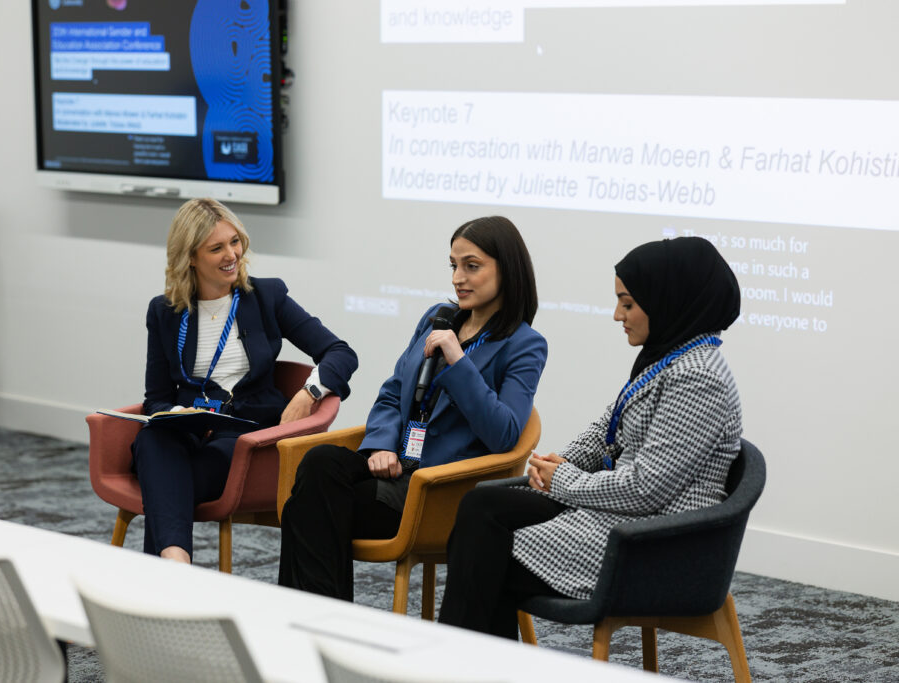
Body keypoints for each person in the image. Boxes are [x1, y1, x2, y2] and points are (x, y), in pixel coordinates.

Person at [438, 235, 742, 638]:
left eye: (628, 304)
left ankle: (455, 662)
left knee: (483, 554)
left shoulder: (698, 378)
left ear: (668, 302)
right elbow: (607, 430)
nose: (617, 315)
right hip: (624, 519)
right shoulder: (669, 358)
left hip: (655, 542)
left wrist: (563, 479)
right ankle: (473, 663)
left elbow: (645, 489)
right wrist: (561, 462)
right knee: (482, 507)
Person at [278, 215, 547, 601]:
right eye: (453, 266)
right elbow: (392, 393)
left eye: (472, 266)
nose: (458, 278)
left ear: (507, 269)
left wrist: (459, 361)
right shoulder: (438, 318)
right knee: (320, 462)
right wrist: (381, 444)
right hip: (394, 469)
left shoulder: (524, 344)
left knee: (304, 509)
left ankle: (311, 616)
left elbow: (504, 433)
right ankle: (322, 615)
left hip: (439, 488)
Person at [132, 198, 358, 563]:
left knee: (163, 480)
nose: (232, 255)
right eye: (216, 248)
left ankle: (173, 563)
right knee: (152, 439)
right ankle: (176, 565)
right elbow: (155, 397)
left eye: (235, 242)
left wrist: (309, 392)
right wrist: (175, 413)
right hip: (188, 433)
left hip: (246, 438)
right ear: (190, 258)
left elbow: (340, 353)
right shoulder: (165, 311)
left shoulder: (267, 296)